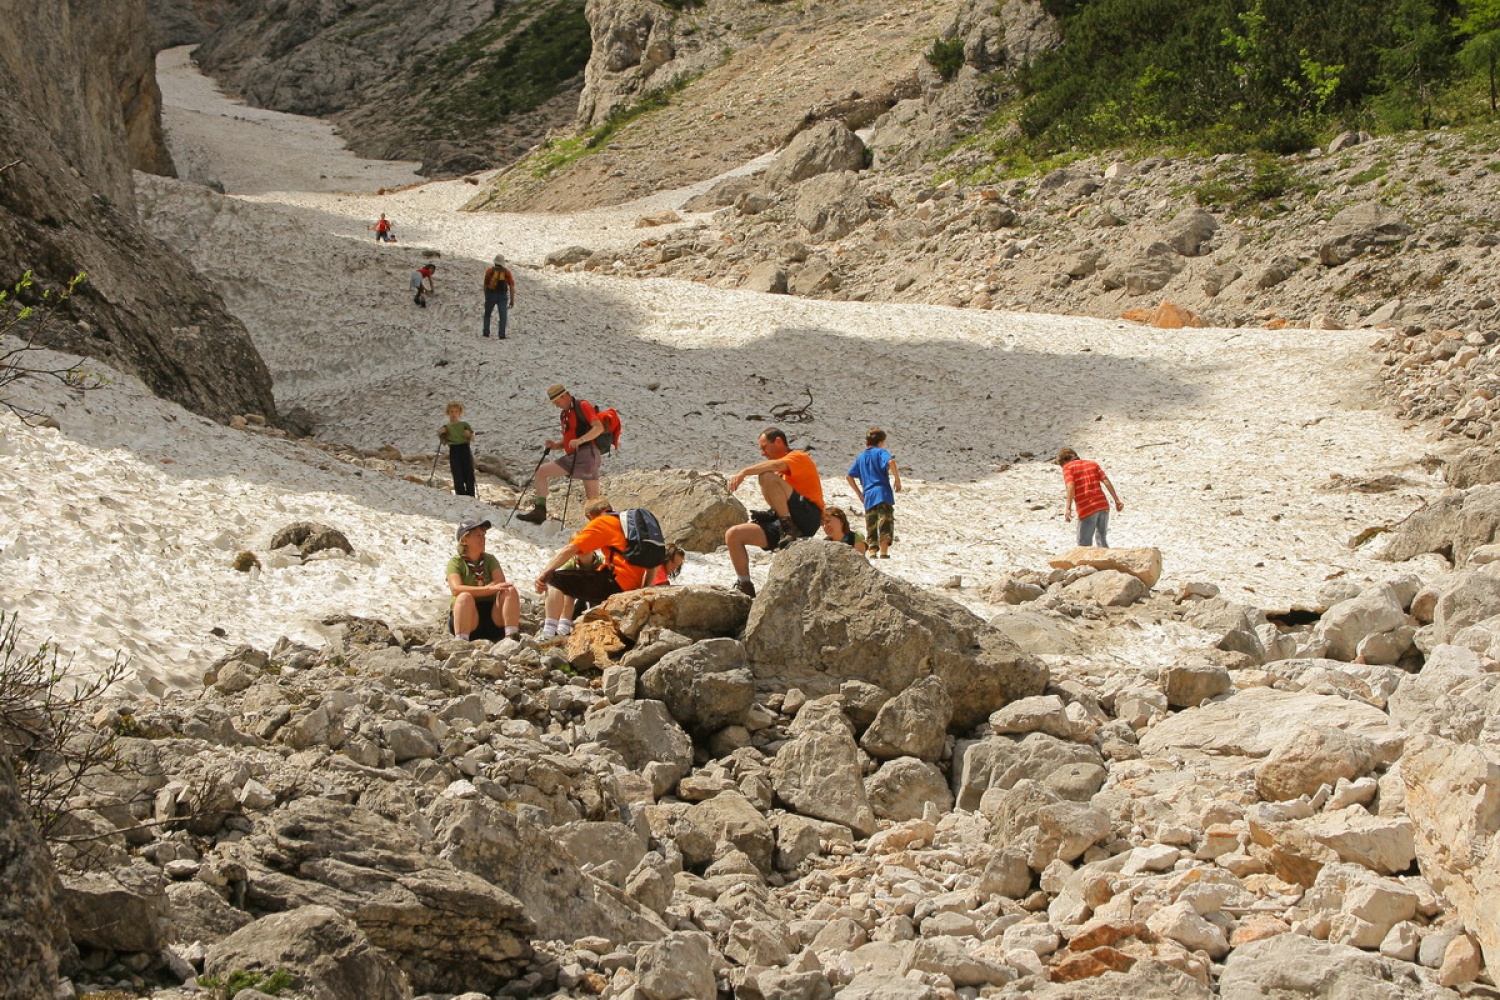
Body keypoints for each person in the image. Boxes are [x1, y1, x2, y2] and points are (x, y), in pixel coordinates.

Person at [723, 426, 824, 597]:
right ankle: (745, 584)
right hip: (788, 521)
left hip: (809, 516)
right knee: (733, 535)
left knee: (766, 476)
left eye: (764, 447)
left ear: (778, 442)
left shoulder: (799, 457)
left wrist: (744, 472)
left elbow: (775, 465)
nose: (762, 453)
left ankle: (787, 526)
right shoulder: (781, 473)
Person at [533, 498, 650, 637]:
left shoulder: (602, 522)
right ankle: (565, 627)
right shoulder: (627, 525)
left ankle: (549, 632)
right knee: (577, 582)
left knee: (555, 579)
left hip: (617, 583)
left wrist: (544, 573)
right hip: (633, 584)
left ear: (590, 517)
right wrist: (644, 588)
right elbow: (653, 562)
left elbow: (569, 549)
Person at [515, 384, 605, 524]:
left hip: (587, 454)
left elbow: (598, 428)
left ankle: (601, 526)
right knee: (541, 472)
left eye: (557, 401)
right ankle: (540, 511)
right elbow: (569, 439)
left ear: (565, 396)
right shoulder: (564, 414)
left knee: (593, 498)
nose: (556, 405)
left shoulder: (583, 405)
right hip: (573, 455)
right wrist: (555, 445)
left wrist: (581, 440)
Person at [447, 520, 521, 641]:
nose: (483, 539)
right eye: (478, 535)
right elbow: (456, 589)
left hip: (492, 616)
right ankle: (461, 641)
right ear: (465, 540)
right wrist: (488, 589)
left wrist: (489, 589)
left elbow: (500, 583)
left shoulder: (490, 559)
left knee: (509, 590)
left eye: (483, 535)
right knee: (464, 597)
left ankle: (511, 636)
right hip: (469, 619)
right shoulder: (456, 562)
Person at [846, 426, 902, 559]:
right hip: (882, 492)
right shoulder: (880, 452)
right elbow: (891, 461)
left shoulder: (861, 457)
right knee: (885, 521)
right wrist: (897, 480)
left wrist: (859, 493)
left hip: (868, 495)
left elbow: (849, 476)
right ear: (881, 441)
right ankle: (884, 552)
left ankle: (872, 551)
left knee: (871, 524)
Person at [1058, 446, 1123, 548]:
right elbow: (1106, 481)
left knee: (1083, 544)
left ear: (1064, 461)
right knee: (1101, 539)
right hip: (1102, 505)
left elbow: (1070, 486)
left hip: (1087, 506)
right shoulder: (1092, 464)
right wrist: (1116, 500)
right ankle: (1106, 562)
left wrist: (1068, 508)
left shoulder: (1068, 468)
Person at [439, 401, 476, 497]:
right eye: (452, 411)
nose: (454, 414)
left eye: (456, 411)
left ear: (459, 413)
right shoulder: (446, 427)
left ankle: (471, 494)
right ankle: (461, 495)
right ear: (448, 412)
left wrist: (470, 435)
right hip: (454, 449)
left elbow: (472, 437)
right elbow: (443, 442)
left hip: (465, 448)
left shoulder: (464, 424)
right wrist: (441, 434)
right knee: (457, 471)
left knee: (468, 471)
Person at [482, 255, 515, 339]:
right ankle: (501, 335)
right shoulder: (507, 272)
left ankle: (486, 332)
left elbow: (485, 285)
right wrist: (512, 300)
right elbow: (511, 286)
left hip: (491, 294)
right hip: (502, 296)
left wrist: (486, 296)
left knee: (487, 314)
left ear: (495, 262)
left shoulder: (489, 271)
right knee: (503, 316)